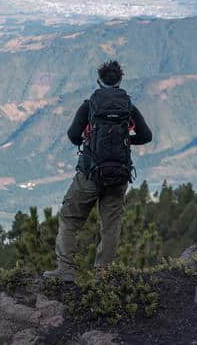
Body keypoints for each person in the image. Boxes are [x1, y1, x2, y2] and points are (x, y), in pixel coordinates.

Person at [43, 60, 152, 282]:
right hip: (119, 176)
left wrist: (92, 142)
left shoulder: (89, 105)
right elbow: (146, 136)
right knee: (111, 225)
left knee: (70, 219)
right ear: (120, 81)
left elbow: (73, 135)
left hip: (89, 175)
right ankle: (104, 274)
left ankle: (66, 270)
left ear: (98, 81)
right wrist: (125, 141)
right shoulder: (128, 107)